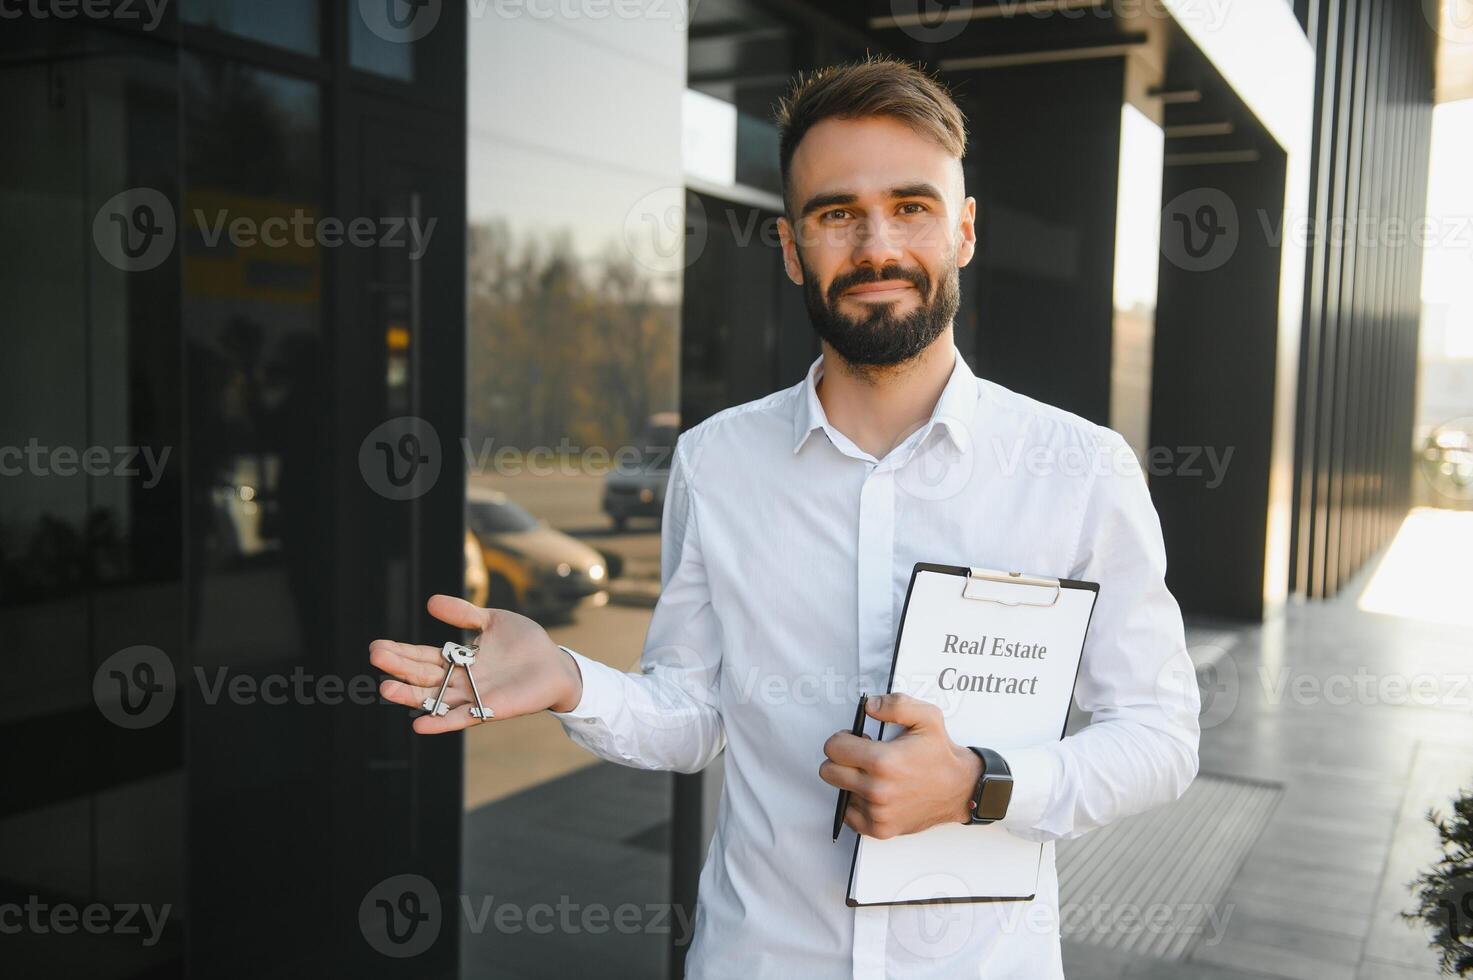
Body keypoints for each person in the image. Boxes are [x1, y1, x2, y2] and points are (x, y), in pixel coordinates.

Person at [370, 53, 1200, 979]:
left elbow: (1159, 736)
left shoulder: (1080, 469)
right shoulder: (716, 461)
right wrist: (570, 677)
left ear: (963, 230)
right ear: (790, 244)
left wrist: (981, 782)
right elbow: (693, 714)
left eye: (911, 206)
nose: (876, 245)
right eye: (836, 213)